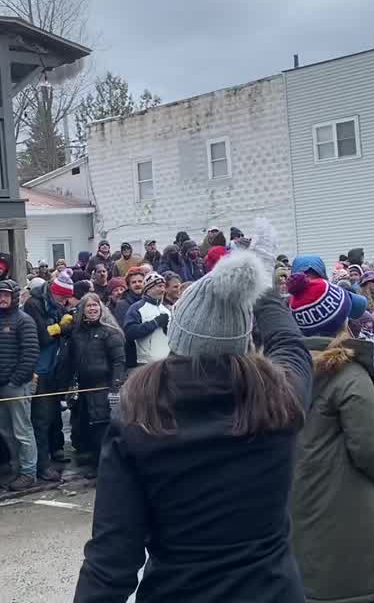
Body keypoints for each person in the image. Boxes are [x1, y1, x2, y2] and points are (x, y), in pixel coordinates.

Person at [74, 231, 312, 603]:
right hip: (272, 591)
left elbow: (112, 560)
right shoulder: (279, 401)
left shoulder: (138, 419)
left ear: (177, 339)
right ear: (242, 341)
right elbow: (290, 345)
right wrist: (261, 281)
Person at [291, 318, 374, 603]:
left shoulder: (278, 371)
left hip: (297, 509)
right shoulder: (348, 374)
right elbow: (368, 449)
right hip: (349, 515)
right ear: (342, 324)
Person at [56, 293, 125, 478]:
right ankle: (96, 463)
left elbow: (119, 362)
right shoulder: (77, 333)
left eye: (96, 305)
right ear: (83, 310)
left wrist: (115, 388)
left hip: (103, 388)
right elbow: (69, 361)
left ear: (101, 308)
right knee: (85, 427)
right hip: (84, 389)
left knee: (103, 429)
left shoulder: (111, 332)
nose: (93, 309)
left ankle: (109, 467)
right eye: (88, 306)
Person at [0, 280, 39, 491]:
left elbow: (30, 353)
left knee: (23, 430)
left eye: (6, 295)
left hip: (17, 385)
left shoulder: (24, 321)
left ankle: (29, 472)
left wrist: (15, 379)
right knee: (6, 431)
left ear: (13, 296)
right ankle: (16, 468)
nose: (2, 299)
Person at [25, 273, 74, 481]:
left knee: (53, 415)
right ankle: (42, 465)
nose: (65, 303)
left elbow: (68, 326)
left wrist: (63, 325)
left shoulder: (55, 304)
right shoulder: (33, 304)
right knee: (41, 420)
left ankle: (54, 453)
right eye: (63, 298)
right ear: (55, 293)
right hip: (40, 371)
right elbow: (43, 336)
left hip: (55, 369)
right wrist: (60, 327)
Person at [123, 272, 171, 372]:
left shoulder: (166, 310)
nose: (162, 290)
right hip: (144, 363)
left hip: (166, 362)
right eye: (159, 286)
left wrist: (167, 329)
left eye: (163, 286)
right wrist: (155, 323)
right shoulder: (136, 308)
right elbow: (129, 332)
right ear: (148, 288)